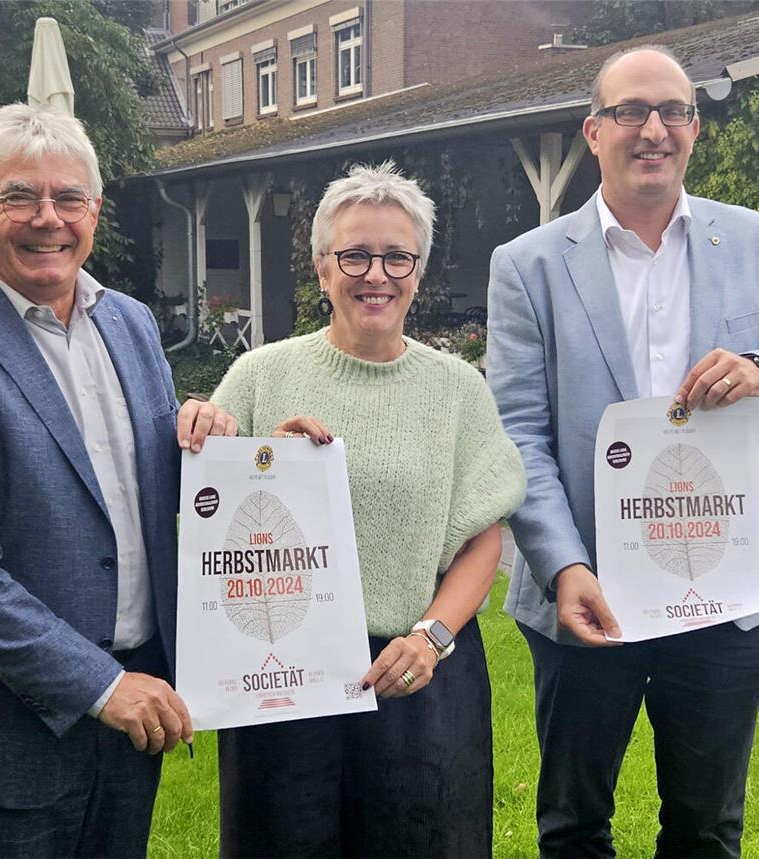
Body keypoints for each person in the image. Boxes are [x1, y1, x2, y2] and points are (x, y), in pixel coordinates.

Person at [0, 103, 234, 857]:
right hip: (1, 727)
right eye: (18, 198)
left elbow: (149, 487)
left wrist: (240, 453)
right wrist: (100, 684)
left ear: (95, 210)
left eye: (69, 198)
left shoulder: (129, 322)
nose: (48, 219)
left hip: (139, 704)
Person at [486, 47, 759, 858]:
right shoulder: (526, 266)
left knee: (707, 827)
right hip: (588, 587)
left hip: (725, 583)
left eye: (673, 111)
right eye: (632, 111)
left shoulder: (754, 239)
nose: (654, 130)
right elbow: (518, 433)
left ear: (695, 129)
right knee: (574, 825)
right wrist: (564, 567)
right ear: (593, 131)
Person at [207, 161, 526, 857]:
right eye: (354, 254)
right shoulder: (261, 376)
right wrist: (262, 466)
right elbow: (208, 517)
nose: (375, 273)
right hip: (282, 678)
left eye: (395, 256)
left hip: (418, 675)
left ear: (419, 270)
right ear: (323, 269)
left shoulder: (458, 389)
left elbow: (482, 536)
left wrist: (432, 636)